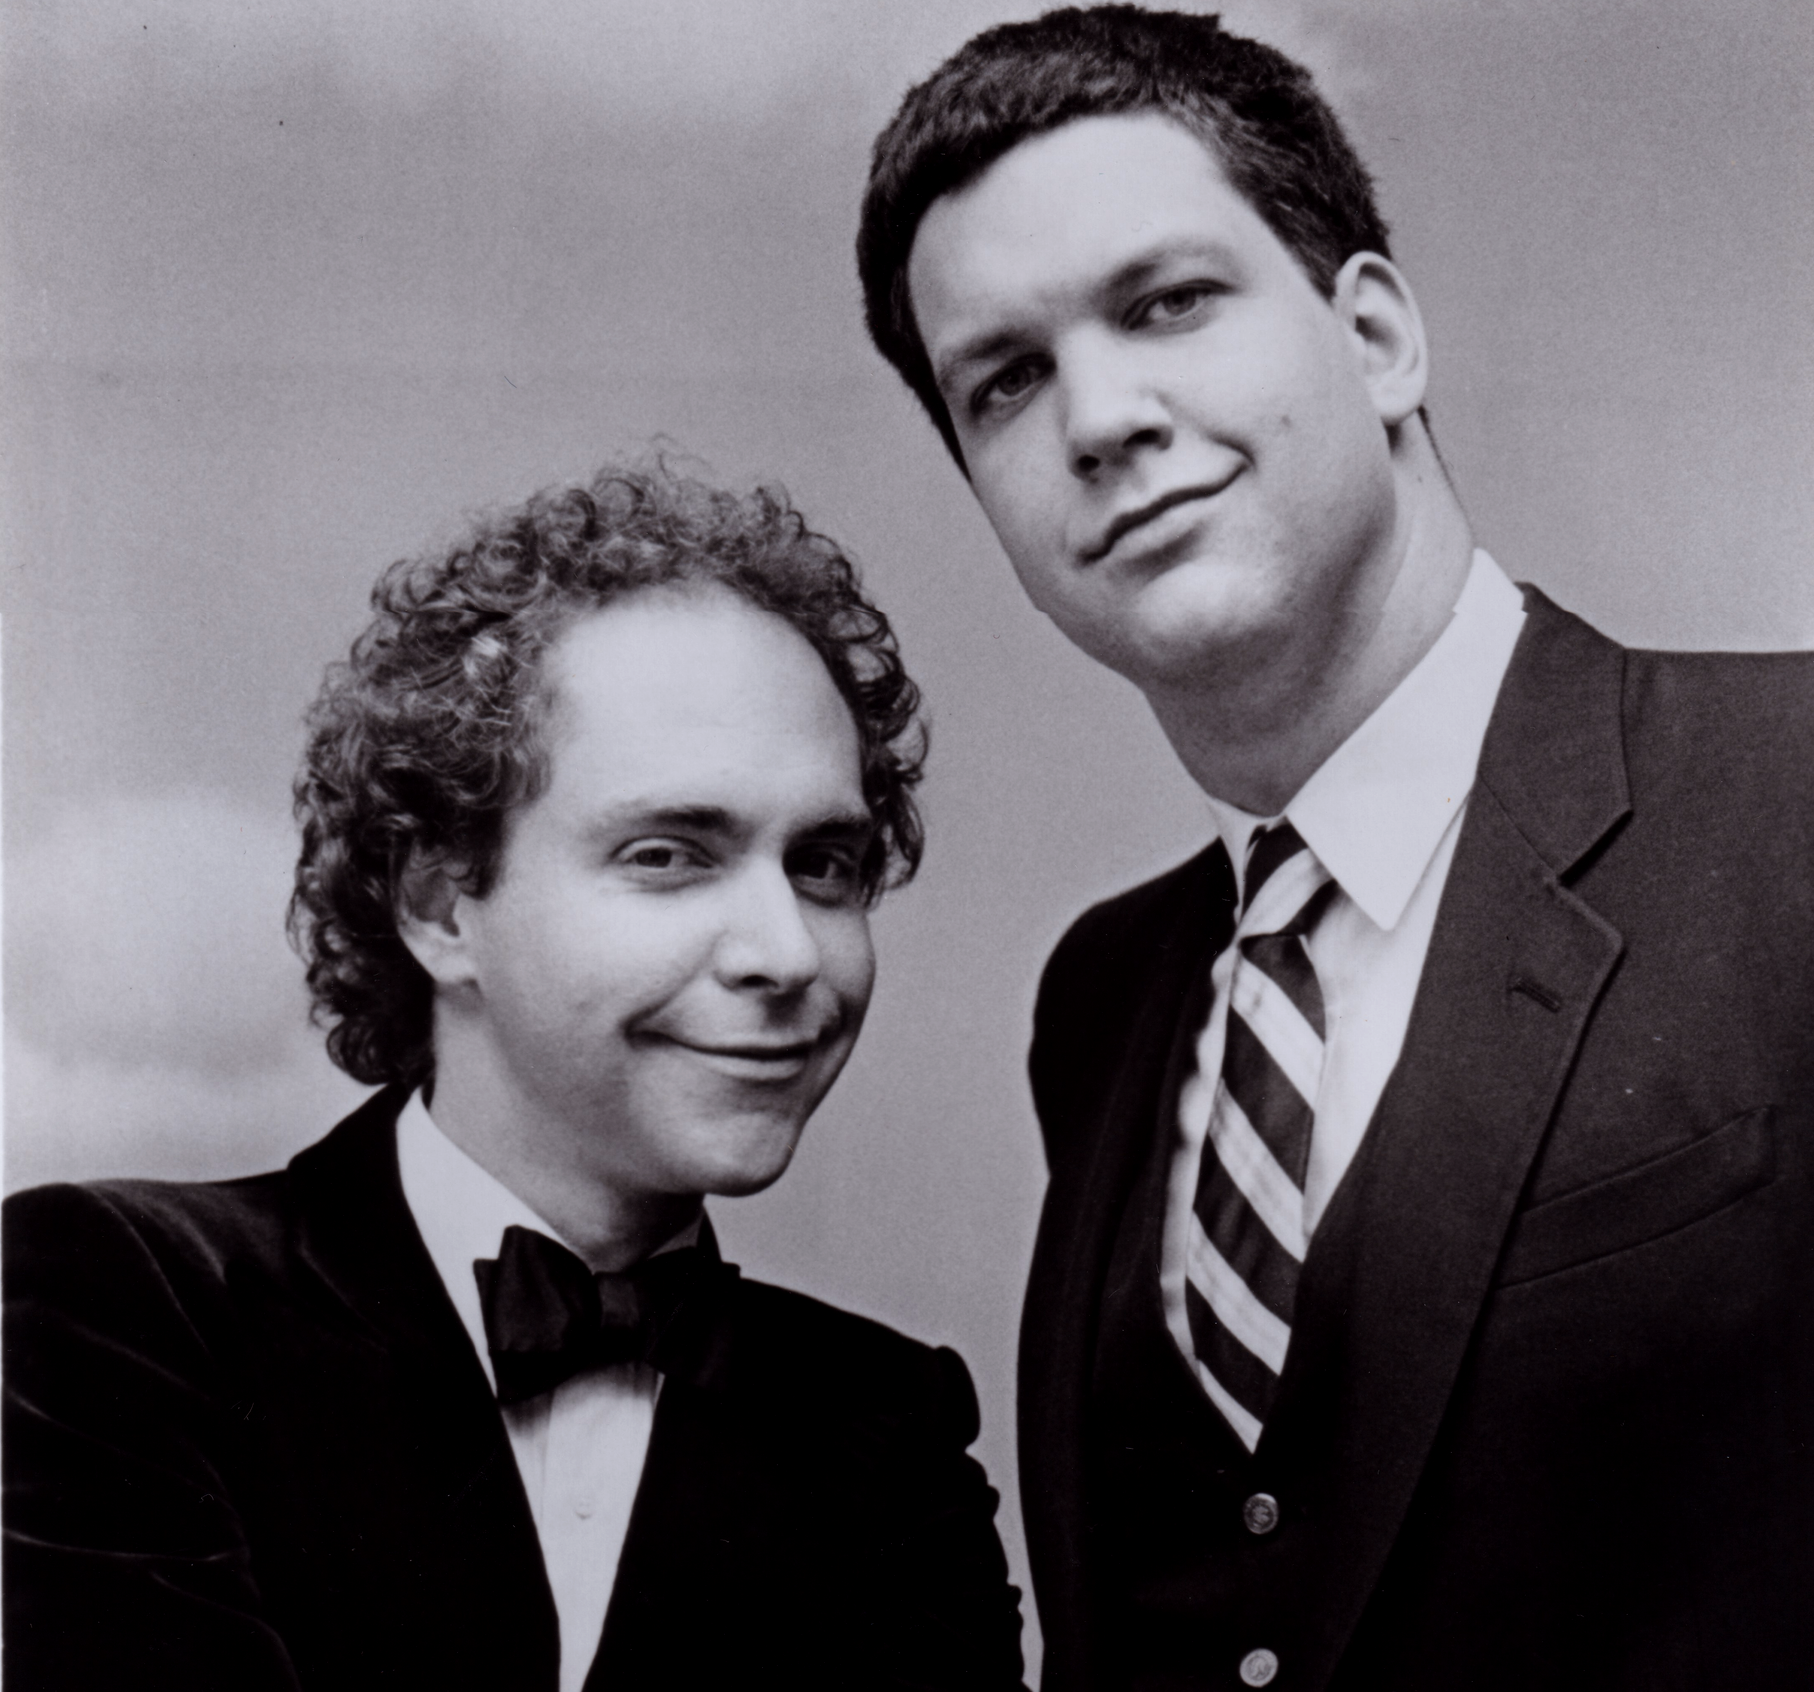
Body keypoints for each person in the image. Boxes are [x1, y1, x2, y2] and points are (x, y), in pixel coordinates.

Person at [857, 8, 1814, 1690]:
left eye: (1166, 302)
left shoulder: (1787, 788)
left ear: (1374, 336)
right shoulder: (1100, 998)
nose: (1096, 417)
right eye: (1002, 382)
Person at [4, 463, 1028, 1692]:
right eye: (667, 855)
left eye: (823, 865)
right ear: (441, 906)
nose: (787, 953)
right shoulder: (113, 1300)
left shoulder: (887, 1428)